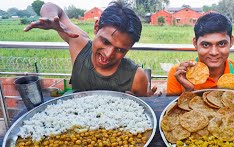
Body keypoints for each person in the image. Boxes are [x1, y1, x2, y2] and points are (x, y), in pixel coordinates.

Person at [24, 2, 156, 96]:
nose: (108, 54)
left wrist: (145, 100)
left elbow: (143, 107)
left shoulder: (136, 77)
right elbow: (50, 6)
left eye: (121, 50)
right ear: (96, 27)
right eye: (105, 41)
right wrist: (51, 17)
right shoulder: (78, 43)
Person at [166, 12, 234, 96]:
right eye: (206, 45)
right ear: (195, 43)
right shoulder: (179, 75)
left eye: (221, 44)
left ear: (231, 41)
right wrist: (188, 91)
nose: (214, 52)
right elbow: (171, 112)